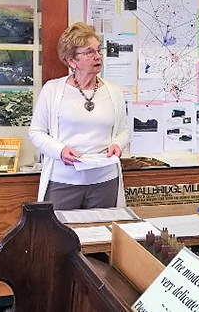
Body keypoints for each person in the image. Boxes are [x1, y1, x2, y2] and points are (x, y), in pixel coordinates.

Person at [29, 22, 129, 210]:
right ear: (71, 61)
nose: (98, 56)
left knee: (101, 234)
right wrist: (60, 150)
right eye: (89, 52)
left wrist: (118, 144)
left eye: (99, 50)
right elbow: (36, 132)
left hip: (105, 181)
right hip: (63, 180)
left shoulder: (114, 91)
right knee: (59, 237)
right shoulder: (52, 89)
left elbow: (123, 132)